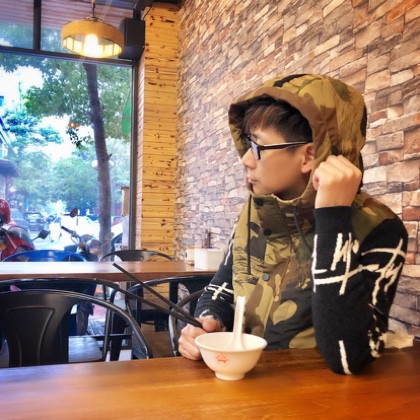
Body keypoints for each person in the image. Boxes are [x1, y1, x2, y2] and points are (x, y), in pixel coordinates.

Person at [178, 74, 408, 374]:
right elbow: (221, 288)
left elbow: (349, 357)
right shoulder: (256, 211)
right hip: (247, 385)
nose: (246, 159)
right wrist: (208, 321)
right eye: (247, 143)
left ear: (309, 155)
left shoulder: (381, 230)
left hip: (319, 395)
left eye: (258, 146)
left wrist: (333, 215)